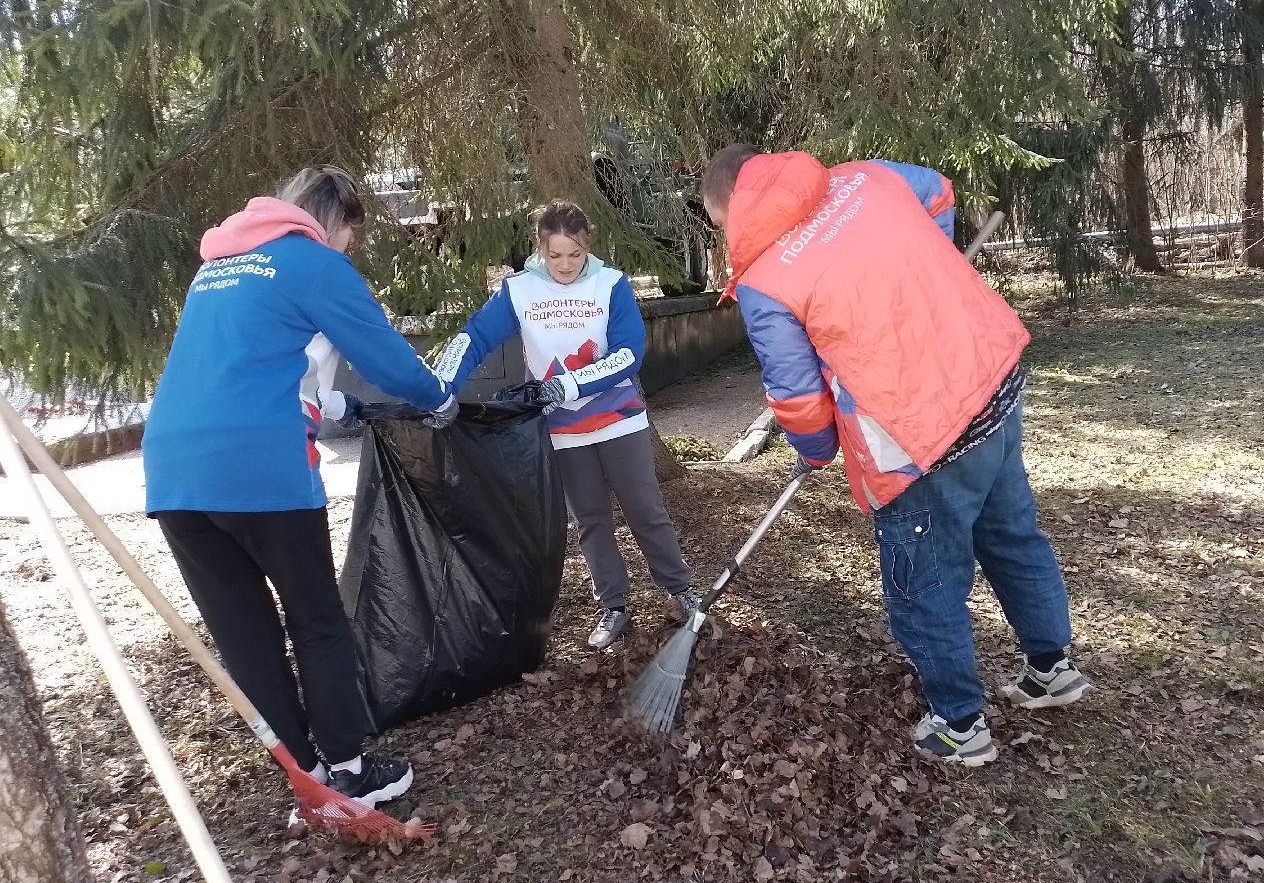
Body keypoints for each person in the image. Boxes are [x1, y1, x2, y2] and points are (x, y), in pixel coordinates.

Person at [701, 145, 1094, 766]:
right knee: (1011, 534)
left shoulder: (765, 277)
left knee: (923, 580)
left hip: (919, 435)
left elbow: (798, 397)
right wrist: (929, 269)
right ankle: (1052, 670)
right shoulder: (861, 180)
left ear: (729, 206)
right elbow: (938, 191)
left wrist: (818, 448)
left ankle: (960, 726)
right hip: (989, 380)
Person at [143, 165, 458, 809]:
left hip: (175, 473)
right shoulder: (311, 259)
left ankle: (306, 778)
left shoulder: (220, 265)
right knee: (314, 617)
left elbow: (250, 369)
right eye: (351, 242)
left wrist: (332, 406)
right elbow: (383, 352)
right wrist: (438, 398)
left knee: (244, 633)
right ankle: (348, 767)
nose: (347, 254)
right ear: (335, 224)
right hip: (260, 467)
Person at [435, 200, 699, 649]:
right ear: (540, 248)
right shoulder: (517, 290)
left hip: (619, 420)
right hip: (561, 430)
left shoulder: (610, 283)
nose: (565, 265)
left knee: (645, 512)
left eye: (574, 255)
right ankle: (613, 606)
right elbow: (474, 338)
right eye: (554, 255)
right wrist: (439, 386)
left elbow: (629, 353)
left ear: (587, 246)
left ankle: (681, 591)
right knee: (591, 520)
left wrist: (568, 385)